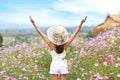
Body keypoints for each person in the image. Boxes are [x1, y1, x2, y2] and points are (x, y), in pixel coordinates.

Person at [29, 16, 87, 80]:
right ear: (63, 38)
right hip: (63, 65)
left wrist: (33, 23)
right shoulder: (65, 45)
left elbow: (41, 33)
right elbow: (74, 34)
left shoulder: (52, 45)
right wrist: (81, 23)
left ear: (53, 38)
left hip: (54, 65)